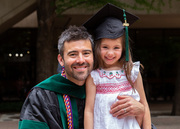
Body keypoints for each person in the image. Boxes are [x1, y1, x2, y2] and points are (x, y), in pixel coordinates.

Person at [18, 25, 145, 129]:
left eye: (86, 53)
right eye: (73, 54)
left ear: (93, 56)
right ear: (61, 60)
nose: (80, 60)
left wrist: (140, 111)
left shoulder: (108, 89)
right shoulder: (42, 96)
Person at [83, 3, 151, 129]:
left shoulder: (132, 72)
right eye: (105, 47)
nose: (110, 53)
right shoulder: (94, 76)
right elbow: (89, 110)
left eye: (116, 48)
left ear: (123, 48)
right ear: (97, 47)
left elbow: (144, 105)